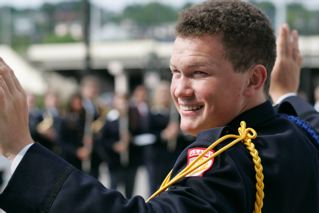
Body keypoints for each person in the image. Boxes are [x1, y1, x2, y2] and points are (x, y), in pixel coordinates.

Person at [0, 1, 318, 212]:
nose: (179, 89)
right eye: (175, 72)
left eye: (199, 73)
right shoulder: (299, 134)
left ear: (253, 80)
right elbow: (309, 122)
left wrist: (21, 150)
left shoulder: (227, 160)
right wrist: (286, 93)